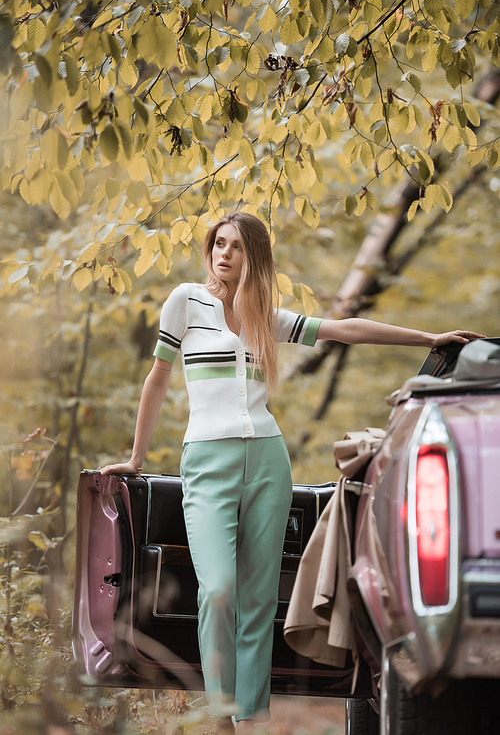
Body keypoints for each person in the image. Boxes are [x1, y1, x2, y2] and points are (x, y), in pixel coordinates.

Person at [98, 211, 484, 732]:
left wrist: (429, 338)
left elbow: (344, 329)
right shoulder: (186, 301)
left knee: (258, 600)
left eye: (236, 246)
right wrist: (137, 457)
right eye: (218, 243)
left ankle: (250, 720)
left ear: (253, 256)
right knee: (217, 591)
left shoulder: (265, 318)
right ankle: (220, 712)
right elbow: (158, 378)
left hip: (267, 460)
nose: (224, 253)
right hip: (208, 462)